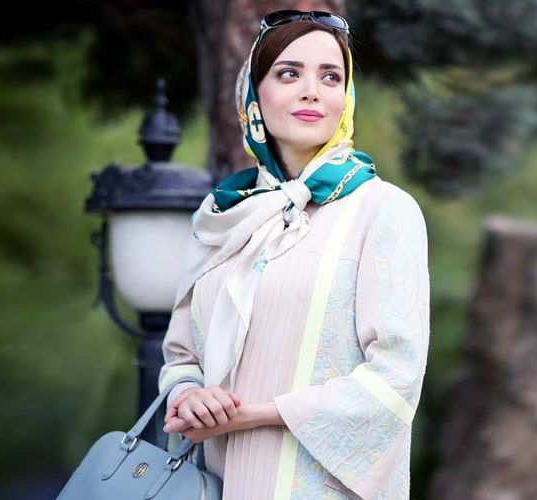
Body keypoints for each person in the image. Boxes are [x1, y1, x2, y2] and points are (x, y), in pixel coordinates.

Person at [157, 9, 430, 500]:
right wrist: (189, 395)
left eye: (330, 77)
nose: (311, 91)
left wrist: (253, 414)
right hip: (214, 486)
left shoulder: (383, 210)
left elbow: (396, 376)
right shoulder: (223, 215)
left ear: (345, 97)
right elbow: (181, 356)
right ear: (253, 95)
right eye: (288, 74)